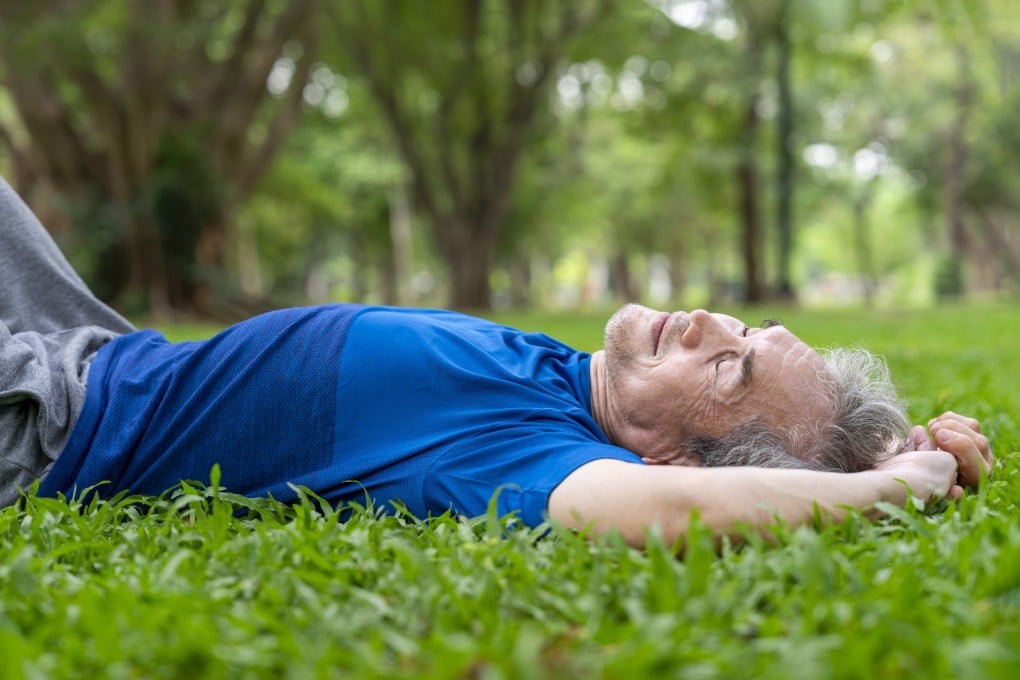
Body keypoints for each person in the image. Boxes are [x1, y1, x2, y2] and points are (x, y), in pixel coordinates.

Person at [0, 177, 993, 547]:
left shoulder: (531, 449)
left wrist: (886, 490)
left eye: (729, 368)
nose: (705, 322)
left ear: (678, 458)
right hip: (96, 340)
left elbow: (665, 518)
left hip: (43, 419)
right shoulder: (564, 378)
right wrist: (897, 450)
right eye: (743, 329)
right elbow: (806, 444)